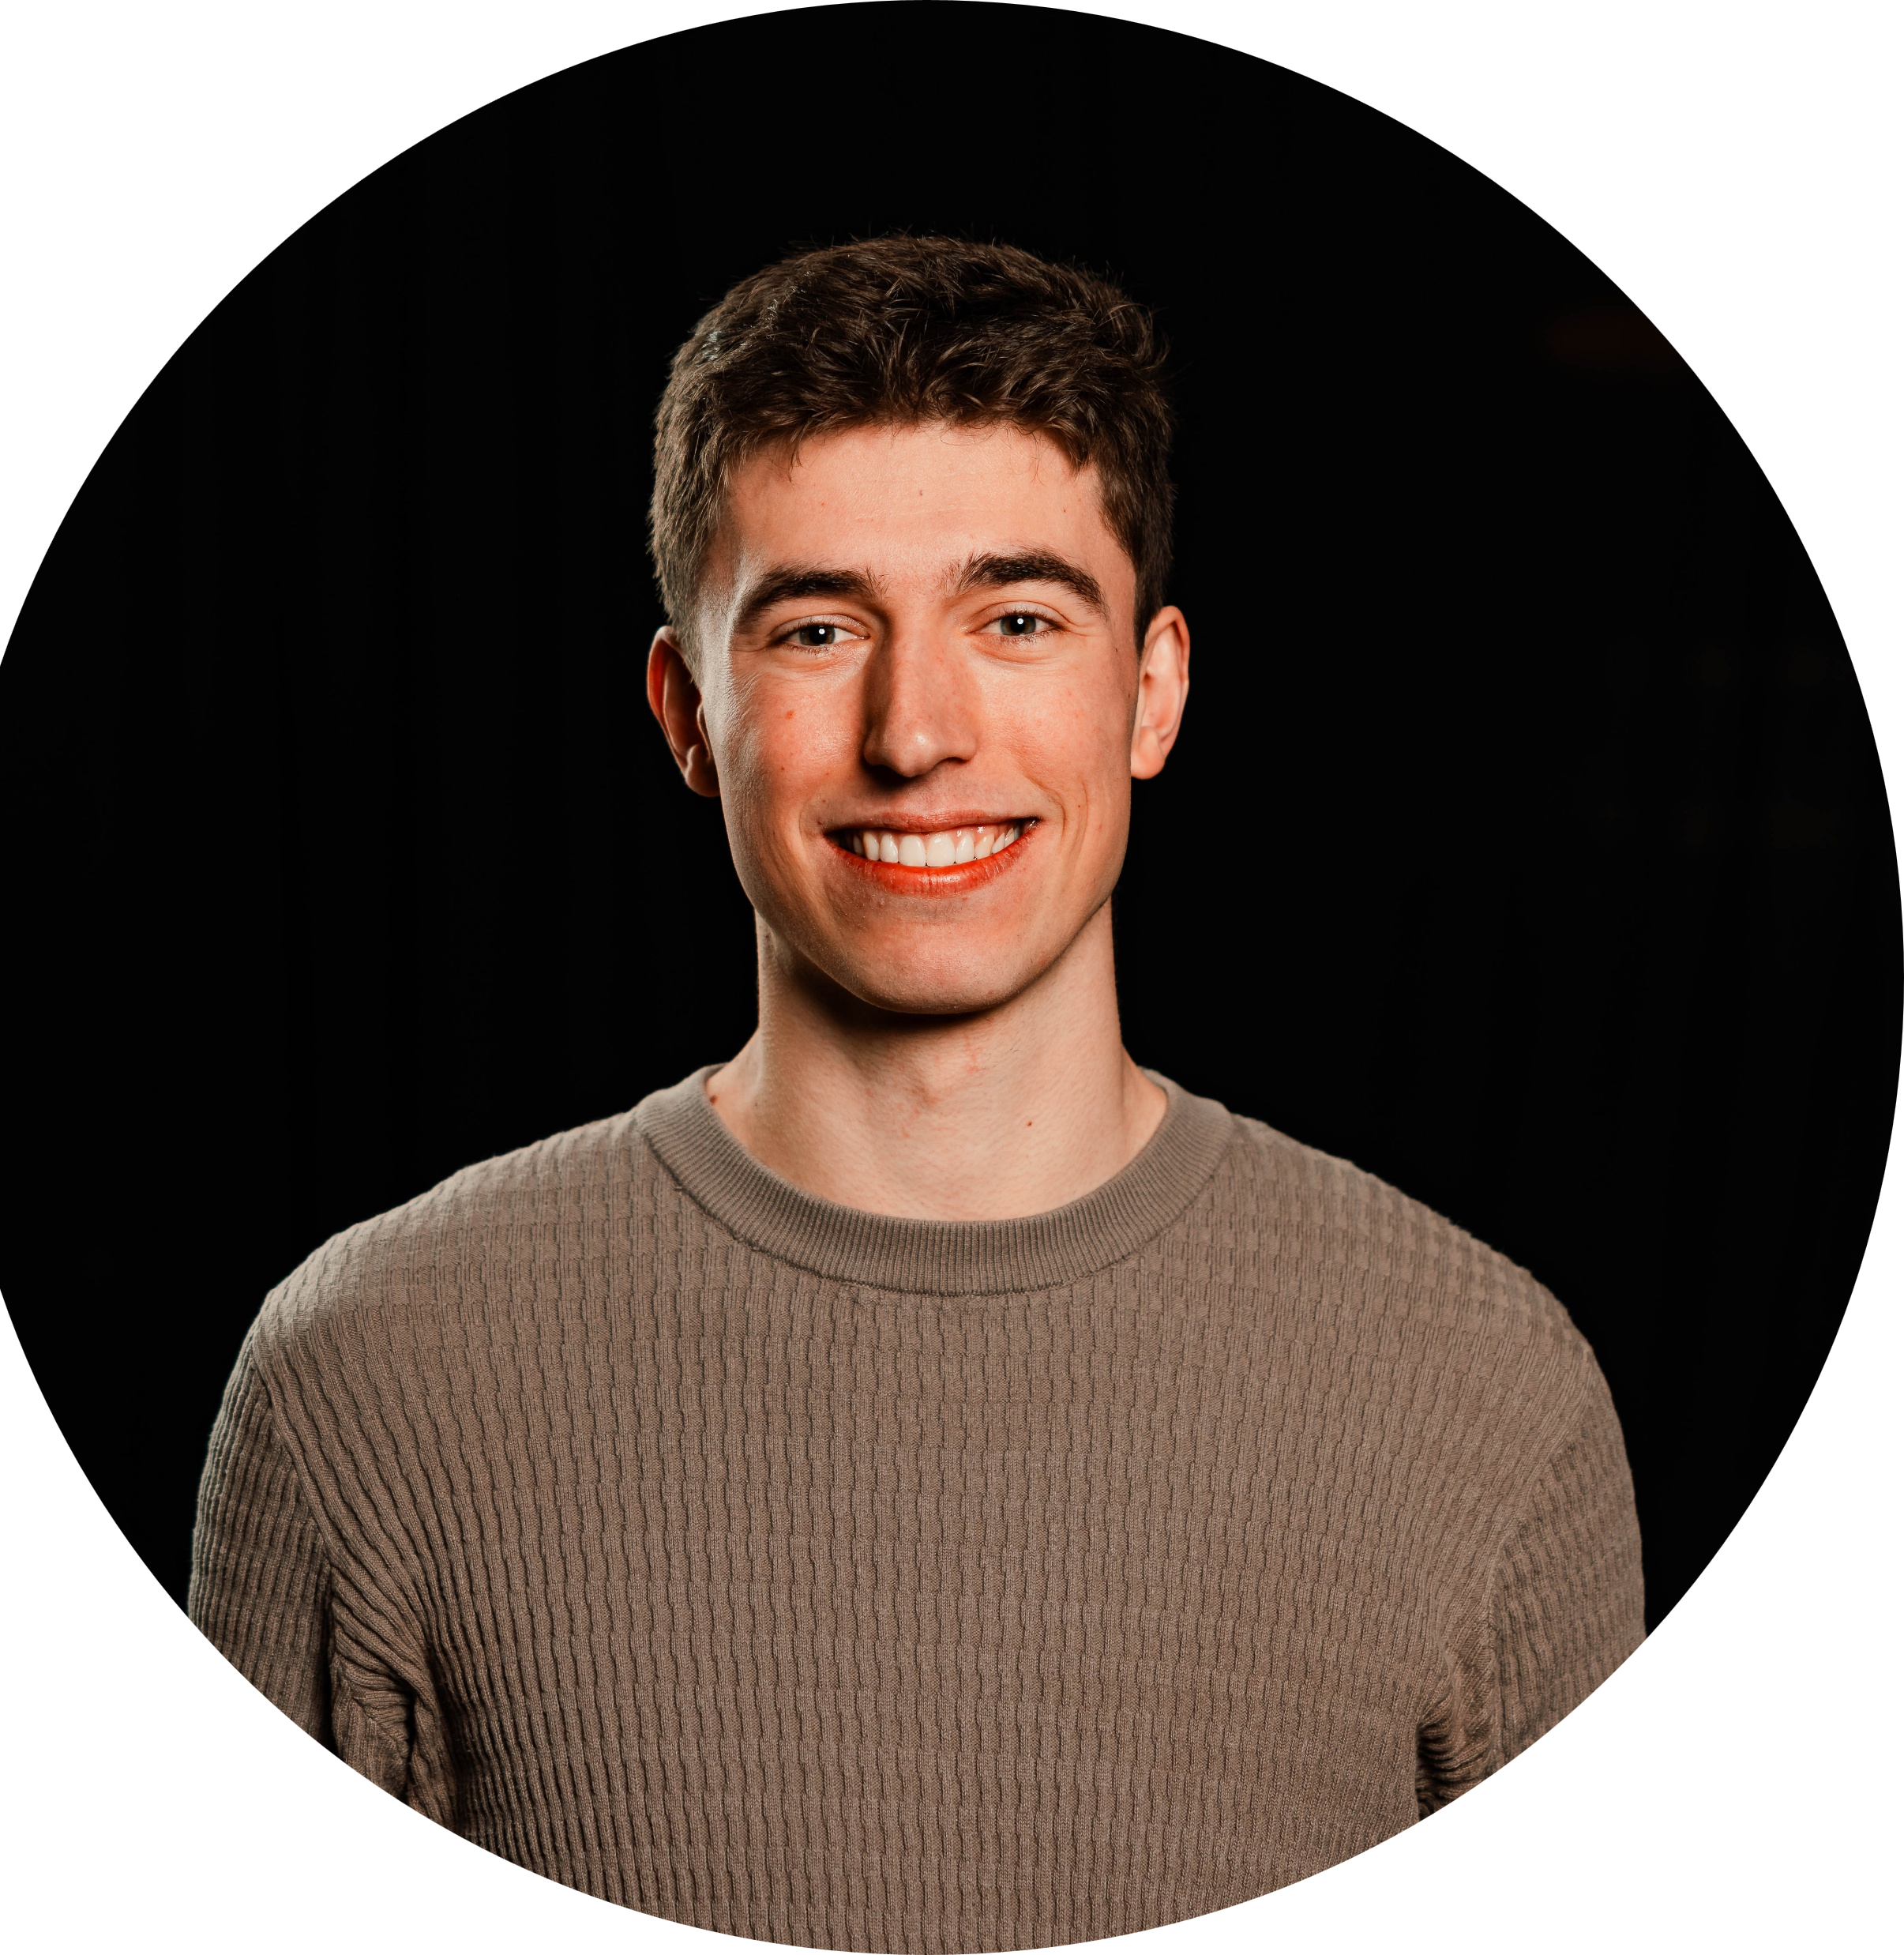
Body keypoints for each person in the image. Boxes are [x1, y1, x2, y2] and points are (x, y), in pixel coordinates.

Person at [190, 235, 1644, 1946]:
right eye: (818, 629)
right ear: (688, 713)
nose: (915, 732)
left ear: (1153, 691)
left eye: (1015, 619)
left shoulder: (1484, 1391)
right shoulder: (368, 1377)